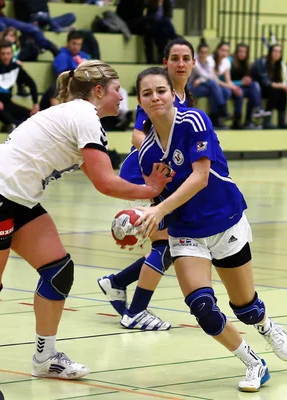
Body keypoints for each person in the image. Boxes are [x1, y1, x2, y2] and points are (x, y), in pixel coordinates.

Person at [0, 60, 173, 379]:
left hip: (17, 198)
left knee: (58, 271)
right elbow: (104, 181)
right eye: (117, 89)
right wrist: (149, 191)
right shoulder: (84, 116)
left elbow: (98, 173)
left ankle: (46, 357)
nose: (122, 96)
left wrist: (147, 193)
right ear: (98, 90)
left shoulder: (75, 115)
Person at [133, 66, 287, 392]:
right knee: (202, 307)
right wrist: (141, 222)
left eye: (160, 90)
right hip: (186, 233)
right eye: (147, 93)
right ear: (139, 101)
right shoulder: (147, 153)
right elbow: (159, 199)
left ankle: (264, 325)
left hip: (225, 221)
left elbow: (200, 176)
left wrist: (159, 208)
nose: (155, 97)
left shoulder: (193, 120)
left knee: (245, 306)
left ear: (171, 92)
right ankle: (254, 363)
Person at [98, 37, 195, 331]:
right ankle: (136, 311)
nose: (180, 63)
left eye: (185, 58)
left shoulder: (185, 98)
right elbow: (137, 137)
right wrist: (162, 162)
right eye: (174, 58)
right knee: (167, 246)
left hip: (167, 179)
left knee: (170, 246)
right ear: (164, 63)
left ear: (193, 63)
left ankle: (116, 283)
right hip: (146, 175)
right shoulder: (158, 95)